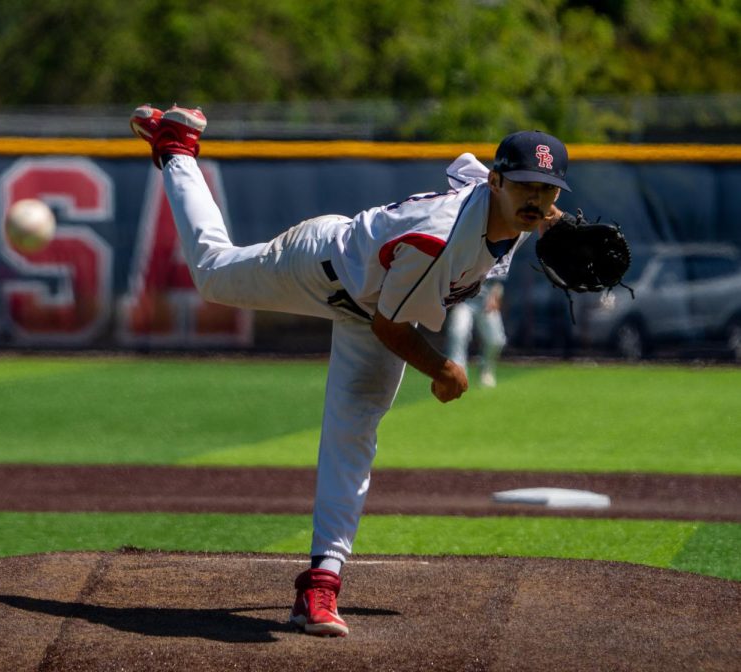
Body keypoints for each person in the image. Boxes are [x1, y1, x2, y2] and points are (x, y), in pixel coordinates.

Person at [130, 104, 571, 637]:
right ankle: (177, 148)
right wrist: (443, 368)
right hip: (323, 267)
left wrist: (552, 220)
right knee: (213, 274)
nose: (536, 199)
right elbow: (392, 327)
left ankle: (320, 584)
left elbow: (463, 166)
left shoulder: (511, 203)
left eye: (547, 189)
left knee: (353, 432)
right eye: (524, 185)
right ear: (499, 182)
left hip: (374, 302)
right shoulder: (439, 240)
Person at [442, 276, 507, 388]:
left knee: (496, 340)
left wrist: (495, 296)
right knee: (458, 333)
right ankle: (458, 374)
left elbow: (499, 278)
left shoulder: (497, 258)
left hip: (486, 300)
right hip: (463, 301)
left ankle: (486, 370)